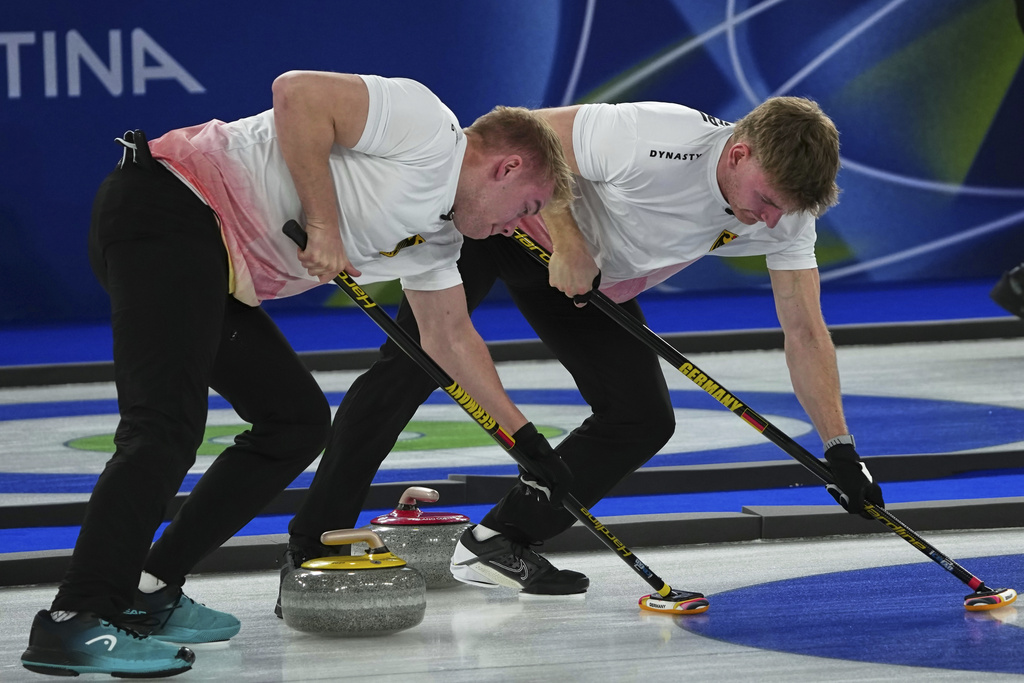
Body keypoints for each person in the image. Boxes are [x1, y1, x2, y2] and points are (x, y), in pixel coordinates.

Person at [21, 70, 574, 678]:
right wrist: (325, 225)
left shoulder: (438, 238)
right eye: (527, 207)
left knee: (295, 422)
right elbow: (298, 92)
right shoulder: (426, 126)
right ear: (507, 167)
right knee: (163, 427)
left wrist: (526, 441)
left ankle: (150, 587)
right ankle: (75, 619)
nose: (517, 227)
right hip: (171, 206)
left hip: (214, 261)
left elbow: (448, 337)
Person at [282, 94, 886, 606]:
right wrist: (569, 239)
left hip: (585, 280)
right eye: (769, 201)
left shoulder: (789, 216)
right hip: (504, 225)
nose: (774, 222)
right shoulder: (656, 136)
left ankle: (500, 541)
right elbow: (534, 133)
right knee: (411, 370)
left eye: (786, 211)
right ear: (737, 154)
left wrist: (840, 448)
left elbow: (805, 331)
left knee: (641, 417)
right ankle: (311, 546)